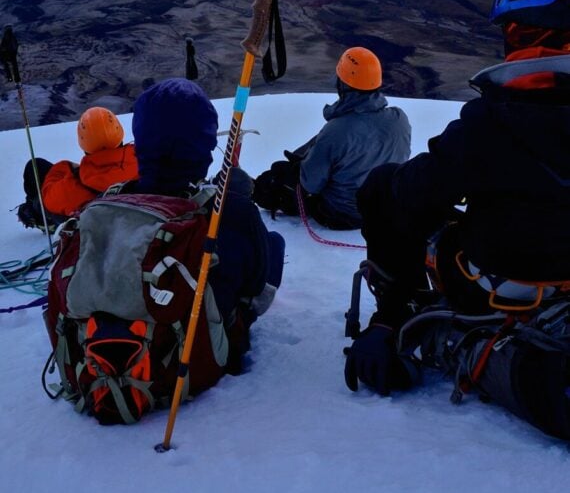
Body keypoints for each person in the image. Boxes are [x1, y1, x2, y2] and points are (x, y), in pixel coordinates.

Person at [345, 0, 570, 396]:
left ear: (522, 37)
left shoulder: (488, 123)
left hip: (491, 290)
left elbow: (413, 191)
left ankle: (395, 313)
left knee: (384, 186)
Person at [121, 77, 285, 368]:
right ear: (204, 144)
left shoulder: (114, 206)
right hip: (202, 350)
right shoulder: (230, 212)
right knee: (273, 243)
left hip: (119, 349)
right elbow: (256, 284)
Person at [253, 47, 411, 230]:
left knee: (278, 177)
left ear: (342, 83)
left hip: (342, 213)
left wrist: (298, 169)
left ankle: (245, 191)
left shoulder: (337, 130)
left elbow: (310, 185)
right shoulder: (399, 118)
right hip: (383, 208)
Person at [17, 107, 139, 231]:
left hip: (87, 220)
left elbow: (47, 198)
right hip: (132, 218)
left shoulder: (72, 186)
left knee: (36, 167)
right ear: (120, 135)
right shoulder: (145, 164)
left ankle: (39, 218)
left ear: (83, 143)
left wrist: (66, 167)